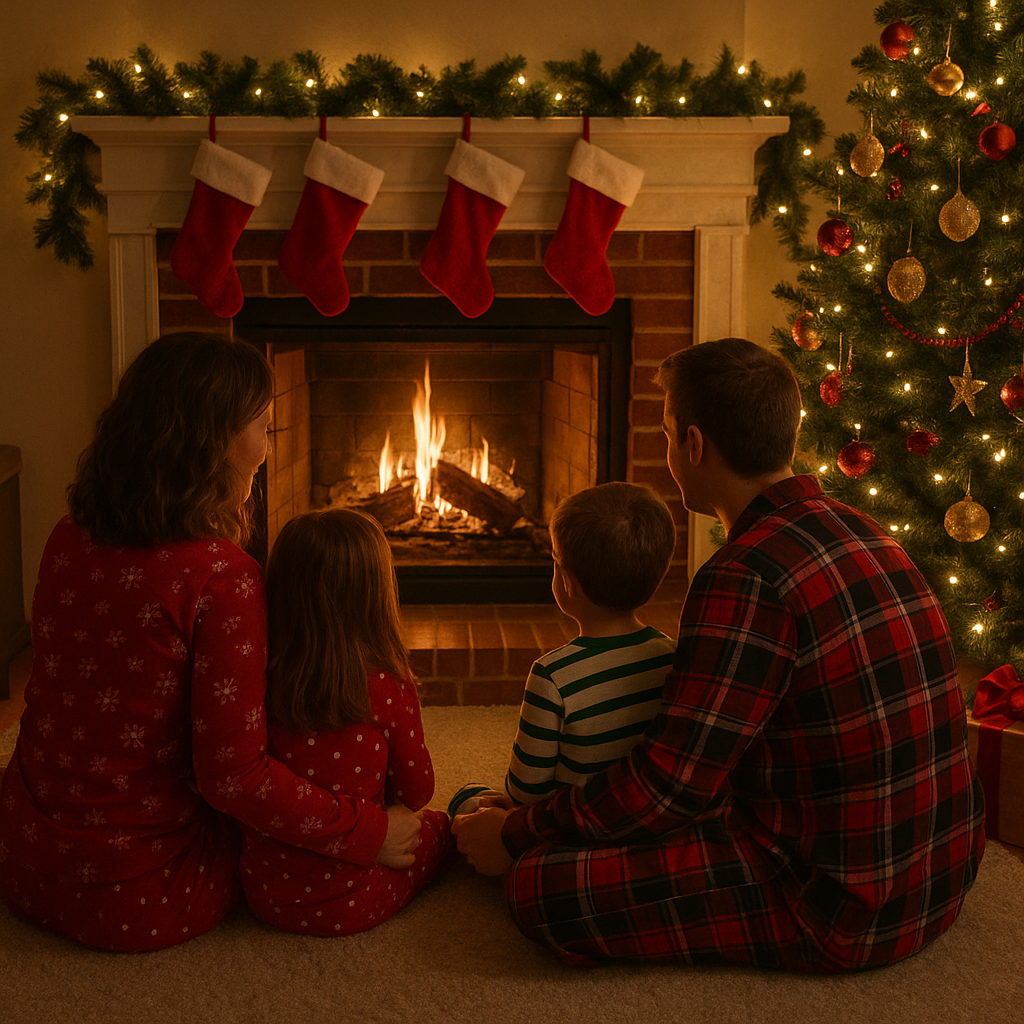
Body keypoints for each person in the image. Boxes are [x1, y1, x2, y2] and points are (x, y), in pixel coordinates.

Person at [453, 337, 985, 972]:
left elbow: (667, 789)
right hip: (944, 870)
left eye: (669, 432)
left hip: (836, 906)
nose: (670, 447)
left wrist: (515, 832)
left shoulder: (745, 574)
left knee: (544, 884)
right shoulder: (867, 531)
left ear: (695, 445)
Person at [0, 332, 421, 952]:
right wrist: (369, 832)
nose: (266, 452)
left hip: (25, 855)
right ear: (211, 441)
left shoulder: (69, 535)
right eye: (262, 430)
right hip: (142, 893)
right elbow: (235, 779)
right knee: (304, 851)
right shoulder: (221, 578)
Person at [239, 508, 452, 935]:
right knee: (441, 828)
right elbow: (418, 790)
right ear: (375, 593)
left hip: (263, 893)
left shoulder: (253, 681)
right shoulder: (386, 685)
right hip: (352, 901)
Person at [447, 482, 676, 816]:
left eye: (555, 559)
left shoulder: (552, 676)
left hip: (568, 828)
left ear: (566, 582)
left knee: (467, 798)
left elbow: (526, 793)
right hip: (640, 818)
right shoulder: (672, 654)